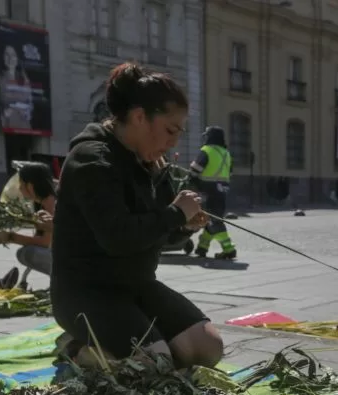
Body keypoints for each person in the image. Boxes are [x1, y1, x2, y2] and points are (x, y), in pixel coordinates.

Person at [51, 62, 222, 368]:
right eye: (170, 130)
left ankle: (136, 341)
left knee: (207, 349)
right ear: (140, 117)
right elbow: (118, 238)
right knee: (152, 366)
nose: (173, 142)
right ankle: (76, 348)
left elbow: (160, 235)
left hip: (136, 286)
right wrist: (174, 213)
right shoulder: (91, 159)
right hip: (87, 292)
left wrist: (183, 226)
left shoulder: (150, 164)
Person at [0, 161, 55, 277]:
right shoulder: (45, 202)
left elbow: (45, 242)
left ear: (30, 186)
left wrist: (10, 237)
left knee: (29, 253)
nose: (19, 188)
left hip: (73, 261)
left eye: (21, 183)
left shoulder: (51, 204)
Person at [188, 126, 237, 259]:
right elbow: (230, 172)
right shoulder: (226, 153)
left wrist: (191, 180)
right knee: (212, 218)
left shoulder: (206, 150)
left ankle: (229, 249)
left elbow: (195, 169)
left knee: (213, 220)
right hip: (223, 189)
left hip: (207, 190)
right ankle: (202, 248)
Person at [0, 45, 33, 130]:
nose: (10, 58)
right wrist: (4, 113)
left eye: (13, 55)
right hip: (8, 124)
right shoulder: (0, 79)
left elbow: (30, 101)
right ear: (3, 58)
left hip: (24, 125)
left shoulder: (24, 78)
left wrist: (28, 112)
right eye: (7, 55)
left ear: (17, 58)